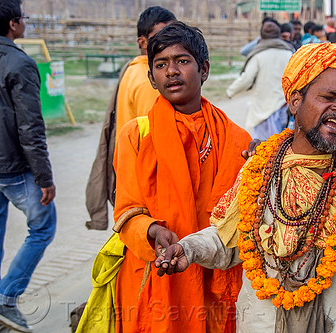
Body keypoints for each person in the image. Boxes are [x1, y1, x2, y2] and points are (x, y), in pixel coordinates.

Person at [157, 42, 336, 332]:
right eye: (328, 97)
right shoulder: (259, 167)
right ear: (295, 101)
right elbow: (228, 241)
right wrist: (188, 248)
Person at [76, 22, 251, 333]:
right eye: (161, 64)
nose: (172, 71)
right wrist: (152, 230)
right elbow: (127, 210)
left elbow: (238, 217)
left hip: (209, 275)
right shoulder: (136, 135)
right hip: (152, 273)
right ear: (151, 78)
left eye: (182, 61)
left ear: (204, 69)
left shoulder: (236, 139)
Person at [84, 6, 176, 230]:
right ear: (142, 42)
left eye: (175, 33)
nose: (172, 40)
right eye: (163, 35)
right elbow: (157, 140)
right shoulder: (149, 80)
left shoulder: (133, 68)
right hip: (145, 182)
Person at [0, 1, 56, 332]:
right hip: (14, 168)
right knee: (44, 226)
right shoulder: (19, 63)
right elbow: (31, 128)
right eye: (23, 19)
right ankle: (5, 298)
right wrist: (44, 177)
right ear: (14, 24)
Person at [227, 18, 293, 140]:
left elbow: (246, 79)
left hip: (263, 108)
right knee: (280, 144)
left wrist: (231, 91)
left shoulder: (258, 54)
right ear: (278, 34)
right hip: (283, 105)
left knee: (263, 146)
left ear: (261, 35)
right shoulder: (288, 53)